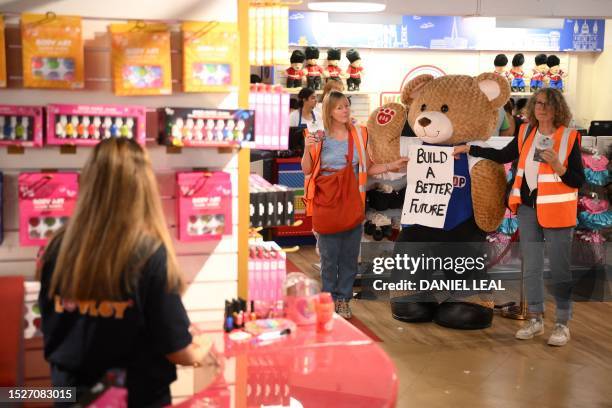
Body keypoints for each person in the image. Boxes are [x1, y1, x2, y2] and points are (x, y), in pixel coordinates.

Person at [37, 138, 221, 407]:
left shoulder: (56, 248)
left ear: (88, 182)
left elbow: (52, 325)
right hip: (135, 397)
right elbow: (179, 351)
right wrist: (201, 347)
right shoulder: (148, 253)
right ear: (143, 187)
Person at [454, 88, 584, 346]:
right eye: (537, 103)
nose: (541, 108)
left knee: (559, 269)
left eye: (546, 104)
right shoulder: (526, 132)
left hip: (558, 212)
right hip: (527, 209)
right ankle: (536, 320)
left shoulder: (569, 137)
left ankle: (561, 324)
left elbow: (578, 180)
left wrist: (559, 166)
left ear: (557, 108)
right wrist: (471, 149)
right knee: (532, 269)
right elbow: (503, 155)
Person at [302, 91, 407, 319]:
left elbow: (368, 168)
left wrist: (391, 165)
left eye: (347, 106)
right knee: (329, 257)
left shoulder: (360, 134)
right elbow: (307, 169)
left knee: (350, 256)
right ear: (329, 110)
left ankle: (343, 300)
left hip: (352, 201)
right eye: (339, 107)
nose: (345, 110)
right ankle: (327, 300)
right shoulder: (319, 135)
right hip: (326, 200)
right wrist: (305, 148)